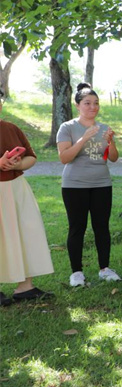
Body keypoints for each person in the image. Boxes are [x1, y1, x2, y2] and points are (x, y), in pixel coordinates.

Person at [57, 83, 121, 286]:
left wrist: (110, 142)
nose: (92, 107)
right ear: (78, 105)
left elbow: (113, 158)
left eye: (96, 103)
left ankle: (105, 268)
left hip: (102, 183)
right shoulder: (67, 127)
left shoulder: (104, 128)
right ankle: (76, 273)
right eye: (87, 103)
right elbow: (64, 157)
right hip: (74, 185)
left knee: (102, 226)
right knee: (77, 227)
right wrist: (84, 138)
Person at [0, 88, 54, 305]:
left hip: (16, 188)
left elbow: (31, 157)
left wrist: (17, 163)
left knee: (25, 232)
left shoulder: (11, 128)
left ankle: (25, 287)